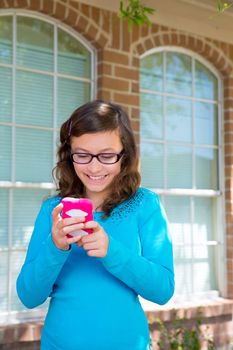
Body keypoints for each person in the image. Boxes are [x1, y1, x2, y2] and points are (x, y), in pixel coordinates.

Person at [16, 100, 174, 350]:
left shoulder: (145, 204)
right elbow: (28, 296)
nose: (94, 167)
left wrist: (112, 250)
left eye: (107, 155)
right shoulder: (53, 210)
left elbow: (162, 290)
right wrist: (55, 247)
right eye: (82, 155)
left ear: (125, 155)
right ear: (69, 155)